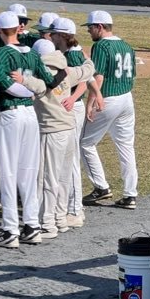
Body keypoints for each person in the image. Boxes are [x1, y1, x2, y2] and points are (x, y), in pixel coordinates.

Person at [0, 11, 67, 248]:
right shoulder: (32, 54)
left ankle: (10, 229)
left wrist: (26, 88)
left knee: (9, 171)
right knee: (29, 171)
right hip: (31, 115)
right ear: (19, 29)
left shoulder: (2, 53)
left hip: (11, 113)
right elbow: (51, 82)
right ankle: (32, 225)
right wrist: (34, 90)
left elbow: (1, 82)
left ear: (1, 31)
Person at [10, 39, 96, 239]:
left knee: (47, 178)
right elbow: (88, 70)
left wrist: (21, 79)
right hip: (68, 129)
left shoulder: (40, 73)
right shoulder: (67, 71)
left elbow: (38, 86)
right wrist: (85, 57)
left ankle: (47, 224)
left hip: (51, 131)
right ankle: (60, 219)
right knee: (63, 178)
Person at [80, 10, 138, 210]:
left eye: (90, 27)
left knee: (85, 143)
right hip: (126, 98)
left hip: (108, 99)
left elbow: (99, 77)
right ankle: (130, 195)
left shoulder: (101, 46)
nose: (88, 31)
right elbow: (133, 76)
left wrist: (91, 102)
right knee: (126, 146)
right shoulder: (126, 45)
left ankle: (101, 187)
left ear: (100, 27)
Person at [47, 17, 90, 228]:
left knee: (70, 160)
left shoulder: (72, 54)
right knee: (67, 159)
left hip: (72, 108)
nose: (49, 36)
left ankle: (75, 210)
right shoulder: (69, 52)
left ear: (62, 36)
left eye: (53, 33)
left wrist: (72, 99)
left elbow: (84, 80)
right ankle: (68, 208)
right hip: (69, 107)